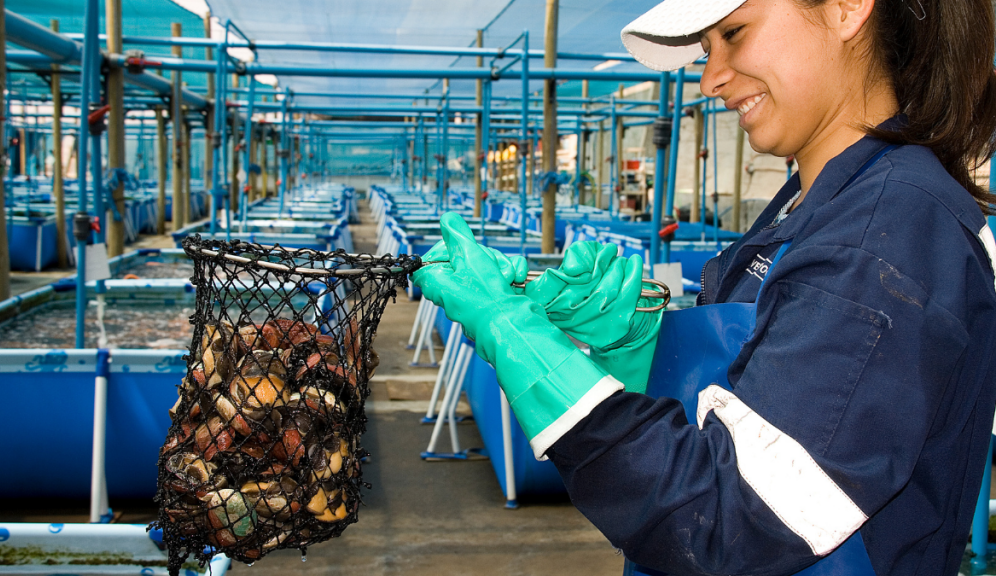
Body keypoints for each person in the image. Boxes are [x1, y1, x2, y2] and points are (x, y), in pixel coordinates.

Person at [411, 0, 996, 574]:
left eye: (735, 33)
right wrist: (639, 349)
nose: (711, 78)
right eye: (706, 49)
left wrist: (523, 342)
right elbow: (756, 413)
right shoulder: (814, 207)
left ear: (846, 8)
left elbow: (731, 521)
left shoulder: (883, 236)